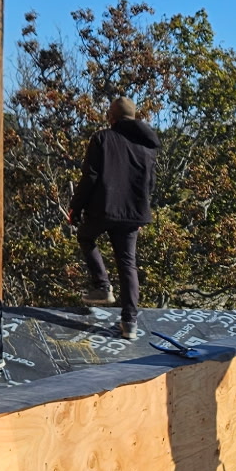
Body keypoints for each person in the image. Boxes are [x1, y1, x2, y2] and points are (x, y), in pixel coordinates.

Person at [69, 95, 158, 340]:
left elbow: (91, 177)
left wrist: (75, 208)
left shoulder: (102, 138)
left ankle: (102, 286)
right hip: (133, 213)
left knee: (86, 237)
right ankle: (130, 323)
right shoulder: (147, 146)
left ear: (112, 117)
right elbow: (149, 184)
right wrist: (140, 216)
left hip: (104, 208)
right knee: (127, 264)